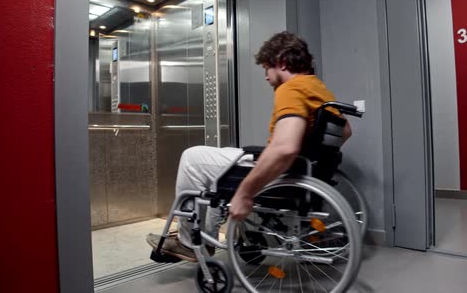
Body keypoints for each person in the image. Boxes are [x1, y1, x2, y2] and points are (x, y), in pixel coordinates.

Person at [146, 31, 352, 261]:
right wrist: (309, 154)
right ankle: (208, 238)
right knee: (220, 165)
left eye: (267, 68)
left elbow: (285, 147)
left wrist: (245, 193)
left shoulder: (291, 88)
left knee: (191, 157)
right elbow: (345, 131)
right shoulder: (319, 88)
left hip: (284, 170)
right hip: (303, 168)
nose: (266, 76)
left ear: (282, 62)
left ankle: (186, 242)